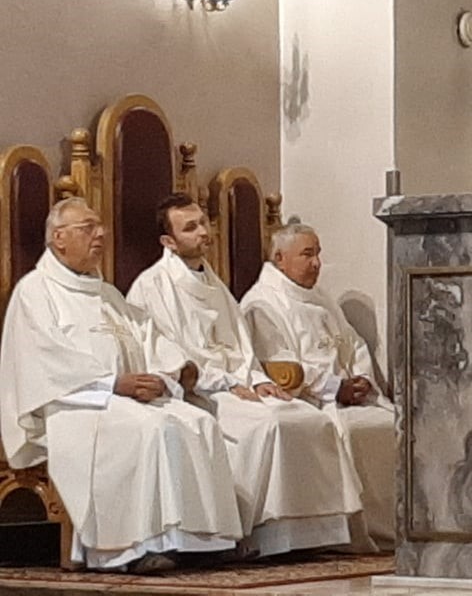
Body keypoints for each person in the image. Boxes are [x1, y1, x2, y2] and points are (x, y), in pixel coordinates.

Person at [0, 197, 243, 572]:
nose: (100, 234)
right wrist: (113, 384)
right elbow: (44, 364)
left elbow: (150, 340)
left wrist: (162, 378)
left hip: (124, 398)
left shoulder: (108, 295)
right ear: (59, 238)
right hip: (71, 406)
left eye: (100, 226)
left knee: (198, 422)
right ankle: (132, 547)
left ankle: (201, 540)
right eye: (88, 228)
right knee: (153, 428)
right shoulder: (35, 292)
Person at [127, 193, 372, 558]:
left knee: (309, 417)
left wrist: (257, 379)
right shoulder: (152, 288)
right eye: (190, 228)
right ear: (169, 241)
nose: (203, 232)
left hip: (239, 384)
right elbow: (171, 360)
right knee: (271, 422)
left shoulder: (214, 284)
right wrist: (229, 382)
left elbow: (241, 346)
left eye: (203, 223)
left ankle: (308, 536)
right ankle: (252, 534)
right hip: (198, 393)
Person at [240, 223, 396, 547]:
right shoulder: (261, 303)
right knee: (350, 432)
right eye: (307, 254)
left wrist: (362, 381)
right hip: (310, 398)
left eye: (318, 254)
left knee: (395, 423)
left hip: (345, 397)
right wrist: (335, 388)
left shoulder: (321, 297)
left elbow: (353, 344)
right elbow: (278, 365)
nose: (316, 263)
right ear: (280, 258)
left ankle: (400, 527)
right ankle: (354, 531)